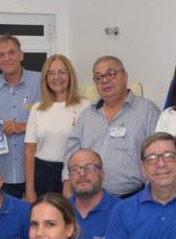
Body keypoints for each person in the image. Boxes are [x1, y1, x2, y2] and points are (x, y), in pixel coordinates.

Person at [62, 56, 161, 199]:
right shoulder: (87, 115)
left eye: (111, 74)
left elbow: (157, 155)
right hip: (89, 200)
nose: (105, 80)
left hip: (131, 199)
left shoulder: (147, 111)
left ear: (125, 76)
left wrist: (150, 198)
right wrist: (67, 184)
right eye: (98, 77)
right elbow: (71, 153)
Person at [0, 35, 41, 199]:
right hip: (3, 173)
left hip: (37, 171)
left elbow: (52, 122)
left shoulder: (40, 81)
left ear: (21, 55)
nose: (7, 58)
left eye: (11, 52)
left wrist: (23, 126)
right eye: (1, 55)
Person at [24, 55, 90, 201]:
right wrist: (29, 189)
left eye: (62, 72)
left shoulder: (85, 106)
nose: (57, 77)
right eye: (51, 73)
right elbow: (29, 151)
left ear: (70, 75)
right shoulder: (37, 109)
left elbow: (90, 146)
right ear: (45, 78)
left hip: (75, 173)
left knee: (73, 214)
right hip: (42, 175)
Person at [65, 149, 118, 239]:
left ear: (102, 174)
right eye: (75, 169)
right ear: (69, 177)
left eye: (88, 168)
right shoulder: (60, 211)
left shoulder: (121, 211)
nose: (82, 173)